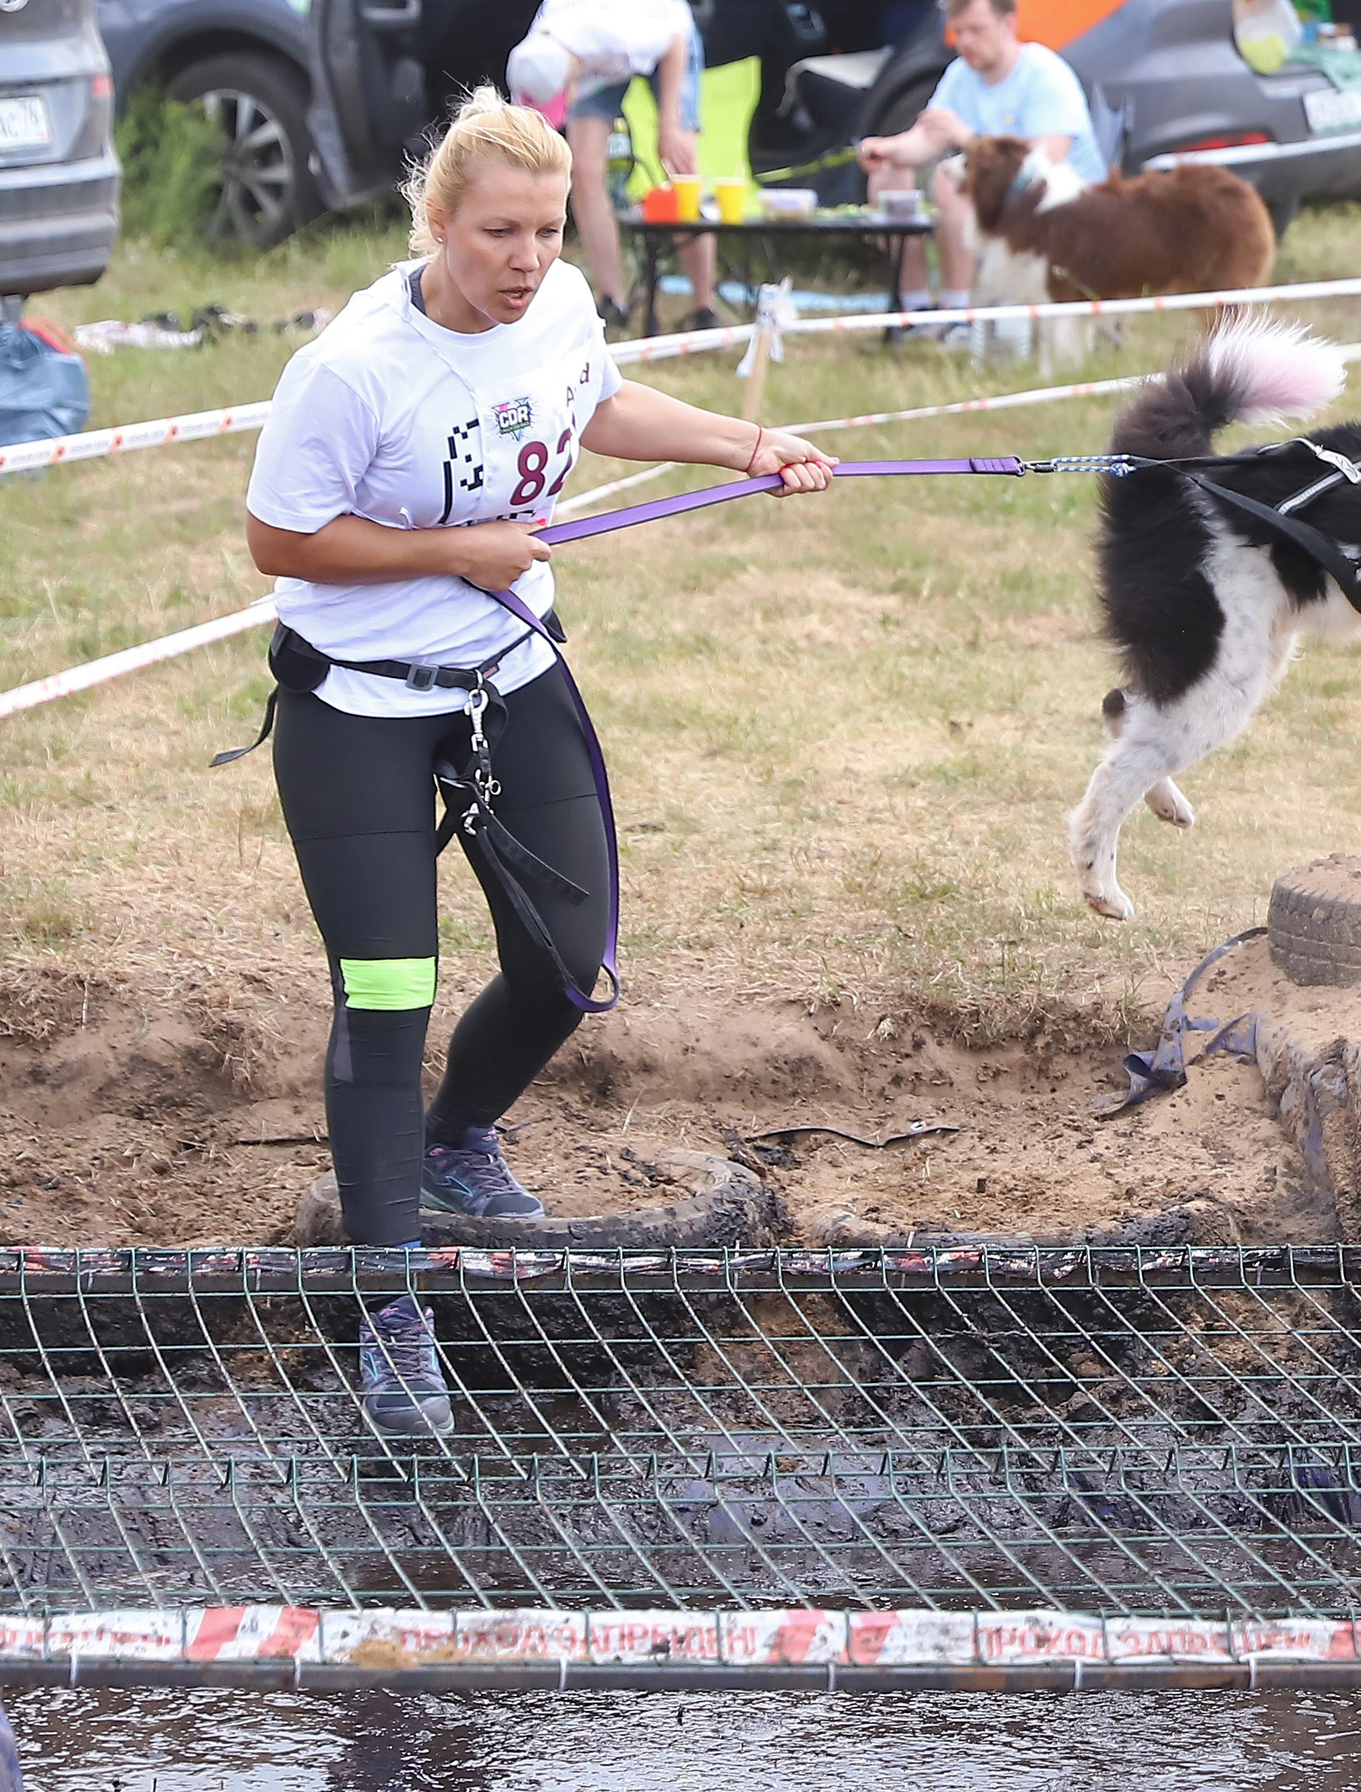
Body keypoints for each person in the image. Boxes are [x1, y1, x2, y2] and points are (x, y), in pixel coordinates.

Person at [241, 89, 835, 1436]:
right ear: (435, 225)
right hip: (361, 709)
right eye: (496, 232)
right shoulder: (349, 370)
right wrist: (454, 550)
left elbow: (597, 404)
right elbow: (283, 544)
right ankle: (391, 1305)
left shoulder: (560, 308)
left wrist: (749, 443)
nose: (524, 259)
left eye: (546, 231)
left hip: (510, 677)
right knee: (387, 990)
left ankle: (455, 1141)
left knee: (571, 964)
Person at [855, 0, 1105, 345]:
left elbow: (1044, 165)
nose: (965, 42)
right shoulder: (960, 74)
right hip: (1000, 204)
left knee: (952, 177)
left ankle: (958, 316)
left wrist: (966, 139)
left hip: (1064, 210)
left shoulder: (1046, 75)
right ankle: (914, 313)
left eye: (976, 31)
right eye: (958, 32)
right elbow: (927, 138)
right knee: (889, 173)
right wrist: (885, 149)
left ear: (1008, 25)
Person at [507, 0, 722, 333]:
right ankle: (612, 302)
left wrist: (669, 126)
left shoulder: (612, 35)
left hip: (666, 36)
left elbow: (674, 42)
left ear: (572, 73)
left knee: (680, 167)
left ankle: (705, 309)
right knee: (583, 170)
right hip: (598, 63)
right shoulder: (528, 61)